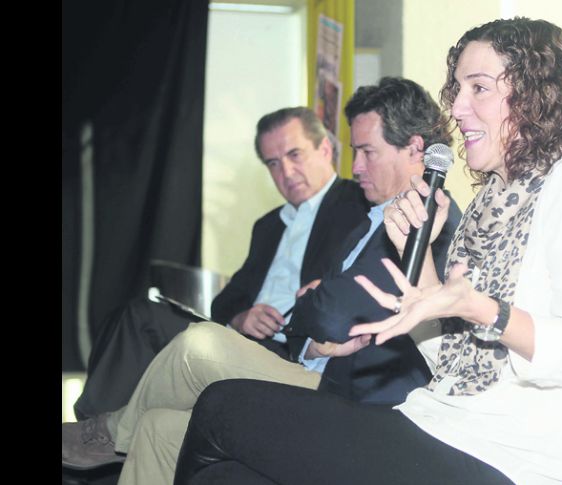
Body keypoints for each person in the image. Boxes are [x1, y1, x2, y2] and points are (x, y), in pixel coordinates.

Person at [173, 17, 562, 485]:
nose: (457, 108)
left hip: (508, 460)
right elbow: (454, 363)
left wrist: (481, 308)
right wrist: (420, 274)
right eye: (457, 89)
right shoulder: (493, 200)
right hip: (441, 423)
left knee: (221, 406)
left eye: (478, 88)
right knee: (228, 476)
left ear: (538, 94)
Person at [64, 77, 462, 485]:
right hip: (309, 365)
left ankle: (106, 435)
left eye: (366, 152)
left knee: (197, 345)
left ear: (415, 149)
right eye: (355, 152)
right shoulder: (371, 218)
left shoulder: (425, 223)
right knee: (156, 428)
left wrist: (312, 312)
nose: (356, 166)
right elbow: (316, 312)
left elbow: (329, 311)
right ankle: (107, 434)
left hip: (345, 394)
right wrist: (311, 319)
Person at [74, 107, 370, 421]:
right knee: (139, 317)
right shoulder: (268, 226)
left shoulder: (357, 207)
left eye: (294, 154)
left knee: (194, 345)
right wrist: (242, 318)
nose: (285, 171)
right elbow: (227, 300)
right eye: (273, 163)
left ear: (325, 149)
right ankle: (92, 428)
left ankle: (98, 441)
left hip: (291, 350)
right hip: (240, 340)